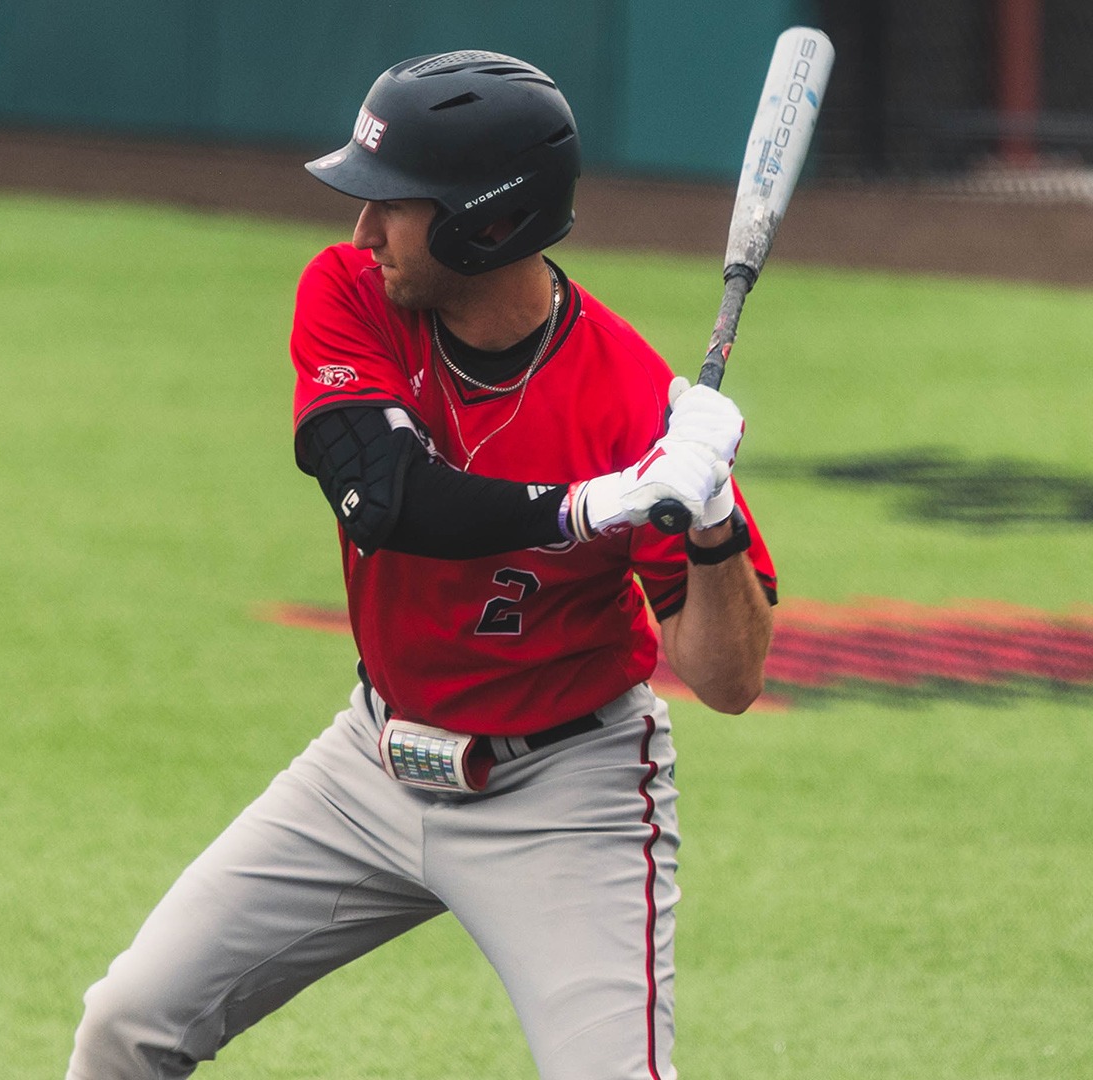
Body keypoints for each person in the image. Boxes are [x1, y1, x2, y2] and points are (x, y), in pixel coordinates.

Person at [66, 51, 776, 1080]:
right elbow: (381, 494)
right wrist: (590, 507)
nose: (361, 231)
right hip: (368, 770)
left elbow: (729, 677)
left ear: (483, 224)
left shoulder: (630, 403)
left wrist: (710, 518)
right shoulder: (352, 294)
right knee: (126, 1024)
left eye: (391, 206)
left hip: (567, 795)